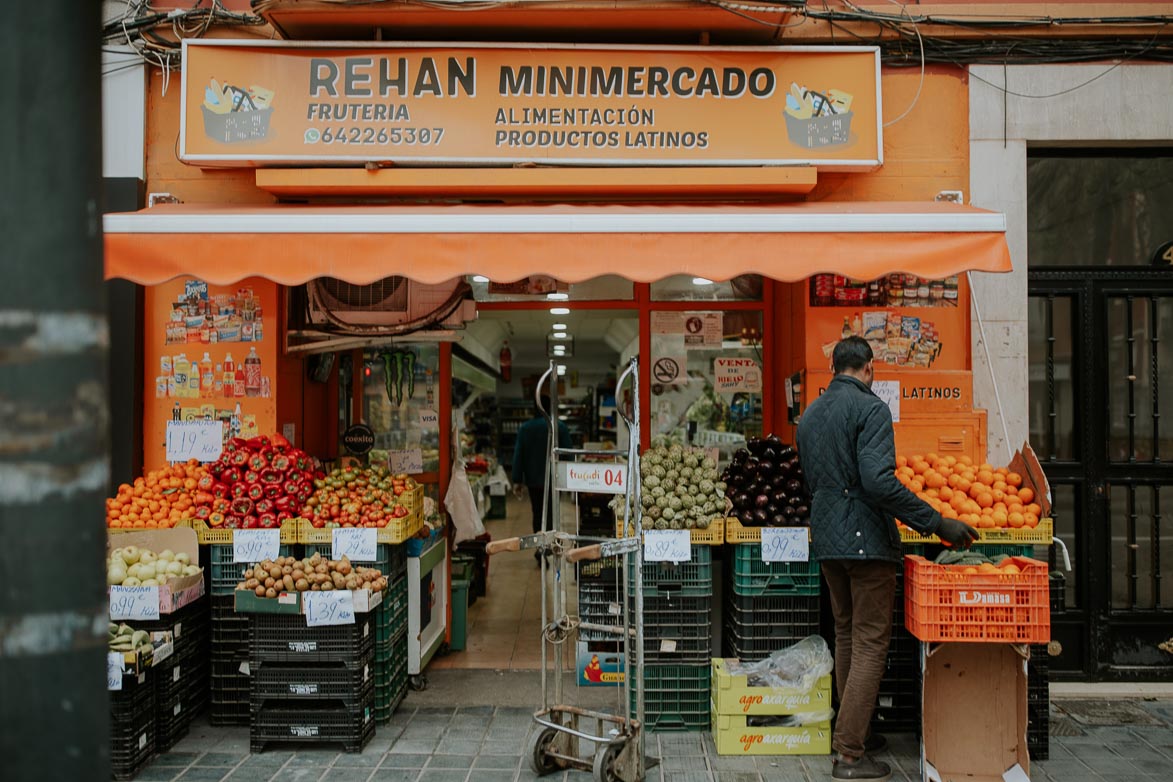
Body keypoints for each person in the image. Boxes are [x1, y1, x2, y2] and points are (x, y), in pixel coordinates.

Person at [797, 337, 977, 781]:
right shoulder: (871, 409)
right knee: (871, 641)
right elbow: (877, 482)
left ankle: (855, 731)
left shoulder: (810, 415)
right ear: (870, 368)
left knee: (846, 634)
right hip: (865, 540)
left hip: (828, 539)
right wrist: (937, 522)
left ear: (834, 367)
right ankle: (850, 754)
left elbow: (810, 480)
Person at [511, 393, 572, 561]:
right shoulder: (560, 427)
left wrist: (517, 479)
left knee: (537, 513)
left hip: (534, 481)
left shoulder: (525, 428)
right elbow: (568, 455)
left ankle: (540, 547)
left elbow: (519, 455)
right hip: (556, 480)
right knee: (553, 513)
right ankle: (552, 546)